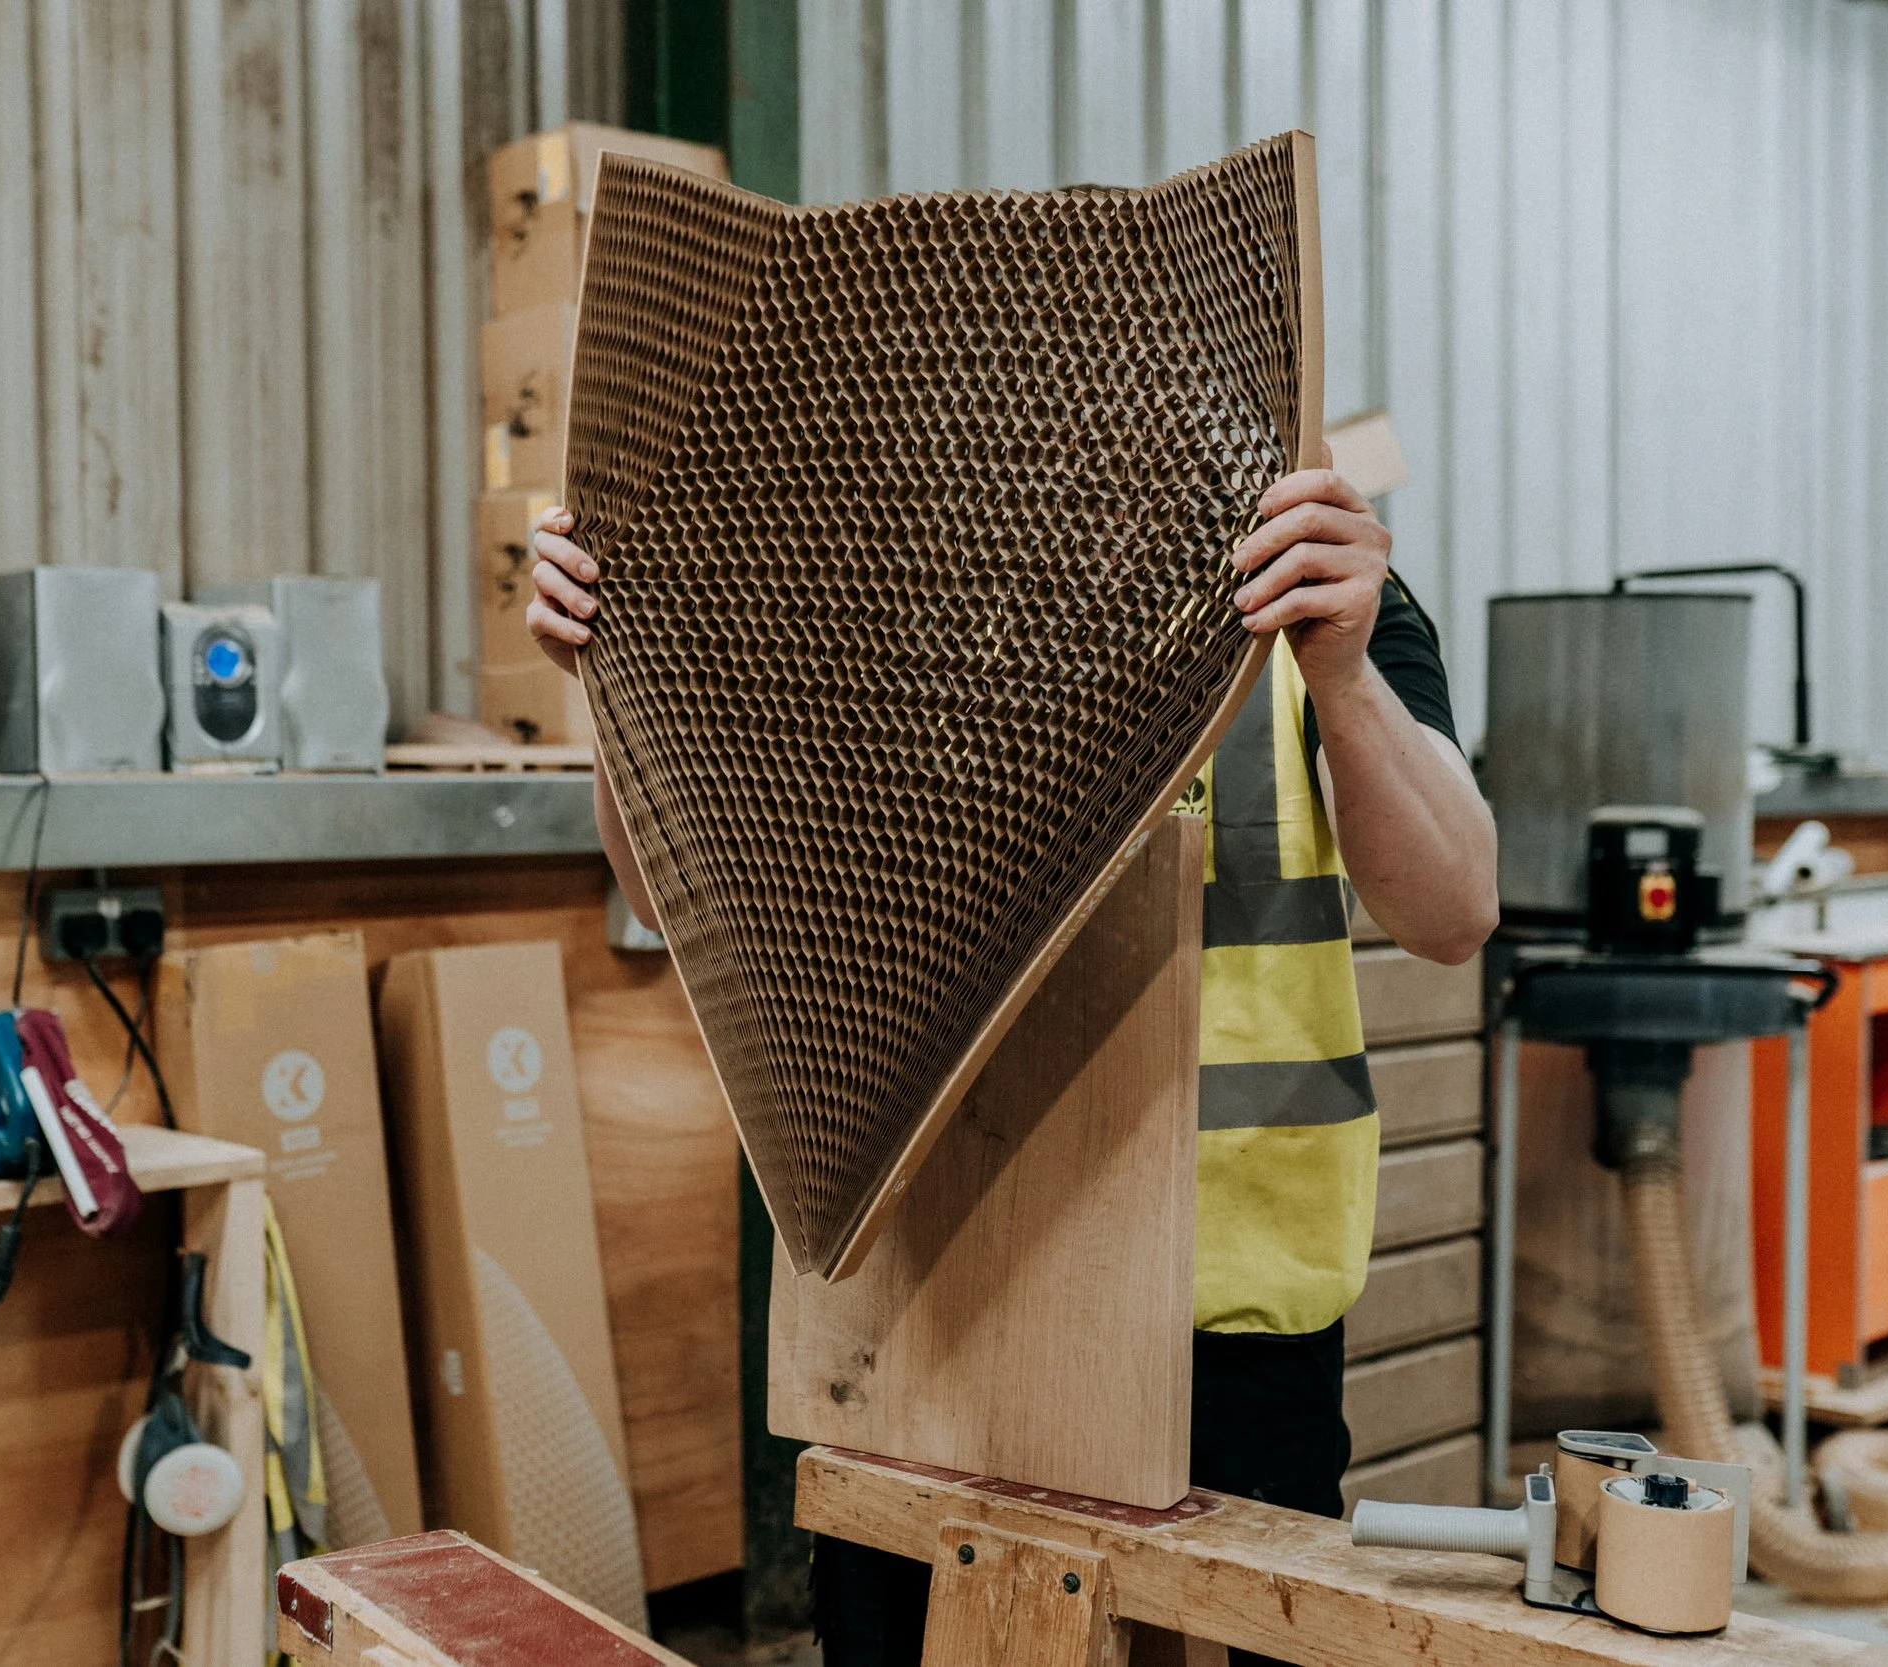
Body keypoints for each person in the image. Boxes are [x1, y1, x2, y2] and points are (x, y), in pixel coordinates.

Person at [527, 457, 1498, 1667]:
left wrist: (1342, 674)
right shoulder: (870, 580)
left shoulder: (1313, 583)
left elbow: (1456, 910)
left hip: (1231, 1306)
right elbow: (674, 895)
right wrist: (624, 682)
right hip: (928, 1288)